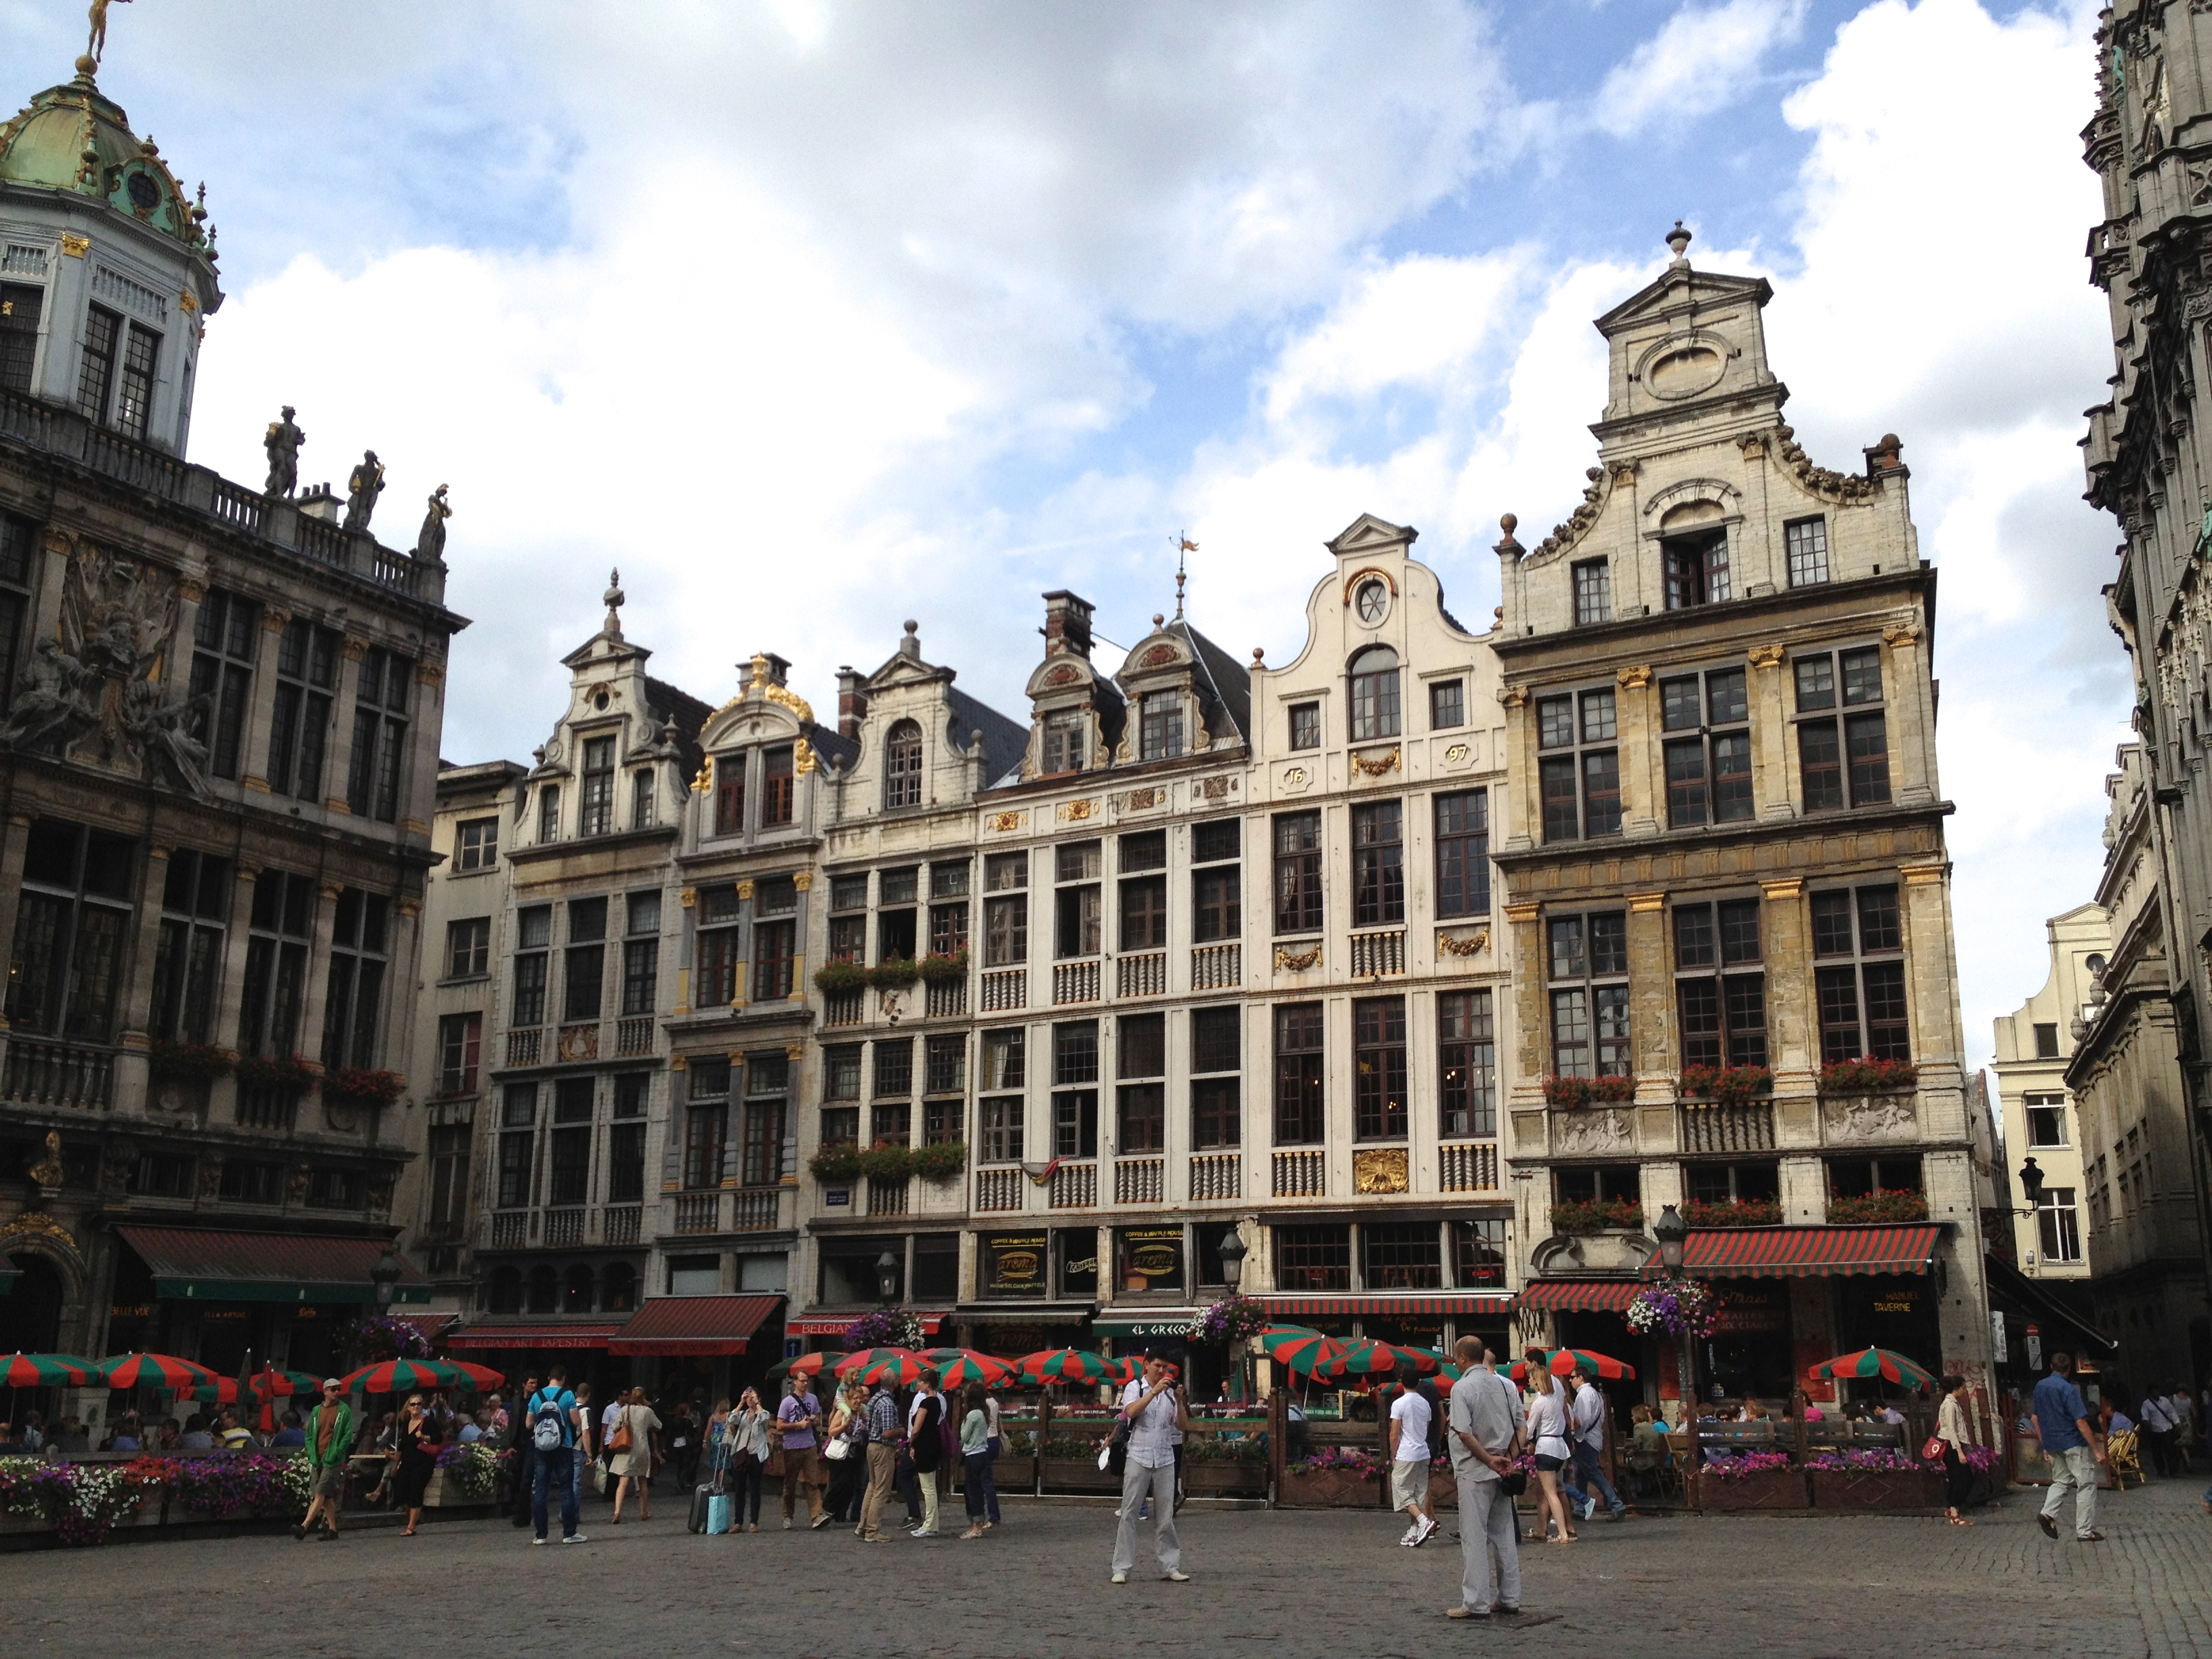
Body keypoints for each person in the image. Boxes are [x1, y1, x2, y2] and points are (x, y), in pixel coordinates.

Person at [1445, 1338, 1523, 1622]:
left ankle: (1475, 1601)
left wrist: (1489, 1459)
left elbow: (1464, 1433)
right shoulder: (1505, 1385)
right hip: (1502, 1470)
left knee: (1474, 1536)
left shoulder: (1462, 1388)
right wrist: (1508, 1459)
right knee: (1503, 1535)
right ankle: (1510, 1597)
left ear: (1463, 1358)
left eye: (1456, 1357)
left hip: (1474, 1470)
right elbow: (1521, 1426)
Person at [1110, 1348, 1190, 1584]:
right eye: (1157, 1366)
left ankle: (1171, 1566)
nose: (1162, 1371)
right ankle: (1121, 1567)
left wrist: (1178, 1399)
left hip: (1165, 1456)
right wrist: (1154, 1392)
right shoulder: (1135, 1387)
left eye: (1165, 1367)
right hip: (1138, 1454)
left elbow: (1183, 1425)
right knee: (1129, 1513)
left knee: (1165, 1516)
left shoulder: (1170, 1393)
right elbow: (1130, 1411)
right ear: (1146, 1365)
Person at [2033, 1351, 2107, 1543]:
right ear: (2069, 1369)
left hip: (2053, 1442)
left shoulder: (2040, 1387)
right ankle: (2085, 1531)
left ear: (2051, 1367)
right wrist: (2096, 1450)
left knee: (2061, 1481)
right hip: (2072, 1442)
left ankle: (2048, 1513)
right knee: (2087, 1483)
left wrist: (2044, 1444)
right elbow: (2081, 1422)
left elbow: (2035, 1418)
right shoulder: (2068, 1389)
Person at [1563, 1362, 1628, 1523]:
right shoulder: (1596, 1394)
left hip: (1585, 1439)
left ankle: (1616, 1504)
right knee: (1580, 1474)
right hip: (1593, 1438)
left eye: (1572, 1377)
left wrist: (1572, 1430)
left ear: (1581, 1378)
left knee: (1593, 1473)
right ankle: (1580, 1508)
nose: (1570, 1381)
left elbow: (1582, 1421)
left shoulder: (1584, 1395)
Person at [529, 1367, 588, 1545]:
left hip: (541, 1448)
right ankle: (569, 1533)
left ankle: (541, 1535)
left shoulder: (536, 1396)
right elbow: (575, 1421)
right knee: (566, 1489)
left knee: (540, 1490)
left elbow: (528, 1422)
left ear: (549, 1378)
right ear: (563, 1378)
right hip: (564, 1445)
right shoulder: (568, 1395)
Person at [1521, 1353, 1576, 1545]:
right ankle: (1547, 1529)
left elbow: (1529, 1429)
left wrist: (1522, 1442)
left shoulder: (1539, 1403)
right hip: (1560, 1447)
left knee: (1551, 1493)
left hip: (1545, 1447)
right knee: (1553, 1490)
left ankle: (1563, 1533)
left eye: (1531, 1378)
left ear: (1537, 1381)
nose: (1529, 1380)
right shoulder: (1556, 1397)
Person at [297, 1379, 353, 1542]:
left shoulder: (344, 1410)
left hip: (332, 1458)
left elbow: (347, 1435)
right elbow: (309, 1435)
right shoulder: (316, 1411)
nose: (336, 1392)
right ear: (325, 1391)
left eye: (338, 1389)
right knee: (325, 1496)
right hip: (317, 1457)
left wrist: (337, 1452)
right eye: (333, 1389)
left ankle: (304, 1527)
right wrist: (311, 1453)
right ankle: (333, 1530)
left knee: (320, 1492)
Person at [1389, 1368, 1438, 1547]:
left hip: (1406, 1452)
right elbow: (1426, 1427)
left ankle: (1424, 1521)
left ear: (1402, 1381)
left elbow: (1394, 1434)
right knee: (1419, 1491)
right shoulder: (1425, 1403)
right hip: (1423, 1450)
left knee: (1400, 1488)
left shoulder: (1399, 1404)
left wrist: (1394, 1454)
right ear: (1418, 1382)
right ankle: (1414, 1530)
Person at [779, 1374, 829, 1530]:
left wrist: (812, 1421)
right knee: (790, 1484)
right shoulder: (787, 1402)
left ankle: (816, 1516)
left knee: (812, 1482)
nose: (805, 1384)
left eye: (807, 1381)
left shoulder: (813, 1399)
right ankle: (788, 1515)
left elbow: (818, 1420)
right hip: (792, 1447)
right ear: (795, 1382)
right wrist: (797, 1425)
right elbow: (780, 1425)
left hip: (810, 1445)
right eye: (802, 1381)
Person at [857, 1376, 902, 1542]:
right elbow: (887, 1432)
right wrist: (901, 1431)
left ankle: (862, 1525)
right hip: (883, 1448)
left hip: (871, 1446)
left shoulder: (873, 1401)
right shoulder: (888, 1404)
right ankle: (872, 1530)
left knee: (872, 1485)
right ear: (894, 1384)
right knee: (881, 1490)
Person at [723, 1387, 772, 1534]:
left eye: (752, 1397)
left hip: (756, 1454)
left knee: (755, 1489)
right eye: (748, 1398)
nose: (750, 1400)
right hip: (741, 1454)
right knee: (739, 1490)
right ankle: (738, 1522)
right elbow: (730, 1419)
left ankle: (754, 1522)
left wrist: (757, 1403)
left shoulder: (761, 1414)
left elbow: (765, 1418)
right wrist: (740, 1403)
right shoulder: (743, 1414)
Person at [609, 1385, 660, 1523]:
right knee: (643, 1480)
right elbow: (659, 1425)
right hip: (642, 1449)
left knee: (623, 1481)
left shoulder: (625, 1409)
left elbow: (614, 1427)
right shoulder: (647, 1411)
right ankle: (644, 1512)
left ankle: (617, 1513)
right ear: (643, 1397)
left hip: (627, 1448)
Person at [395, 1395, 441, 1538]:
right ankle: (415, 1516)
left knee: (416, 1491)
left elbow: (438, 1439)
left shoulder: (428, 1422)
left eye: (419, 1404)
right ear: (408, 1407)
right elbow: (401, 1447)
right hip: (407, 1462)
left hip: (422, 1463)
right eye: (413, 1404)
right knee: (400, 1493)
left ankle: (411, 1526)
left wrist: (424, 1437)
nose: (416, 1407)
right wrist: (395, 1464)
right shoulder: (406, 1423)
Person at [908, 1371, 946, 1538]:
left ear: (928, 1384)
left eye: (921, 1382)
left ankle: (929, 1524)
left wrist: (911, 1442)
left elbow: (916, 1429)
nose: (919, 1384)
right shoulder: (937, 1401)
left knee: (928, 1487)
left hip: (925, 1446)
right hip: (932, 1444)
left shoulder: (927, 1403)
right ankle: (932, 1523)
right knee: (930, 1485)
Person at [1936, 1374, 1975, 1526]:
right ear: (1957, 1389)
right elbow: (1951, 1430)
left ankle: (1954, 1509)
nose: (1965, 1391)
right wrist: (1959, 1451)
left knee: (1962, 1478)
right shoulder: (1950, 1404)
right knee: (1961, 1478)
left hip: (1955, 1445)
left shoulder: (1953, 1403)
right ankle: (1954, 1512)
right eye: (1963, 1388)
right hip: (1951, 1446)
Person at [823, 1382, 863, 1525]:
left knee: (849, 1486)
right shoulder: (843, 1413)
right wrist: (844, 1426)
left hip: (853, 1453)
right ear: (849, 1399)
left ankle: (840, 1514)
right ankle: (827, 1506)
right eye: (855, 1398)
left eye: (860, 1398)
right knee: (840, 1482)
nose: (858, 1401)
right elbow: (831, 1432)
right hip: (840, 1452)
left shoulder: (860, 1414)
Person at [957, 1383, 992, 1540]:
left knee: (973, 1491)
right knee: (972, 1490)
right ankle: (974, 1525)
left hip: (974, 1454)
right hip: (980, 1454)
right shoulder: (983, 1412)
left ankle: (976, 1526)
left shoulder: (973, 1415)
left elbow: (964, 1436)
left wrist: (963, 1422)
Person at [507, 1374, 539, 1529]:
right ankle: (516, 1509)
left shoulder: (537, 1400)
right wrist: (510, 1444)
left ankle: (523, 1516)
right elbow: (513, 1423)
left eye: (535, 1383)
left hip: (531, 1442)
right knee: (516, 1478)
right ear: (524, 1384)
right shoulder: (516, 1400)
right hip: (517, 1443)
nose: (534, 1386)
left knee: (526, 1480)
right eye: (531, 1383)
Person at [2140, 1386, 2179, 1477]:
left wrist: (2177, 1423)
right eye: (2153, 1392)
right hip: (2155, 1429)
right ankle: (2160, 1469)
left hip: (2167, 1428)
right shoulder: (2146, 1404)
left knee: (2170, 1450)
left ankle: (2172, 1470)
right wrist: (2147, 1423)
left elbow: (2172, 1412)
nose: (2156, 1394)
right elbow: (2145, 1416)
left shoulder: (2165, 1401)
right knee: (2157, 1452)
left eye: (2157, 1391)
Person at [668, 1400, 701, 1491]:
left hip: (676, 1443)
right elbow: (691, 1433)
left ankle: (679, 1482)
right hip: (684, 1443)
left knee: (680, 1465)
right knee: (686, 1465)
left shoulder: (675, 1420)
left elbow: (670, 1434)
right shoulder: (688, 1421)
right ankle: (680, 1483)